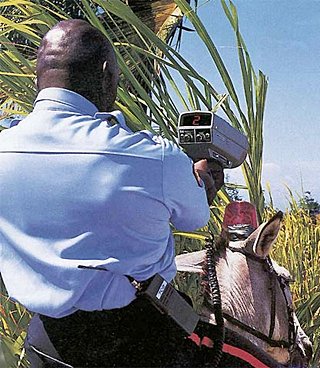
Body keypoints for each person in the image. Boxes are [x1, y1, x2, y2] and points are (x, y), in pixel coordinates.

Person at [0, 19, 224, 366]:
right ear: (106, 74)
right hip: (138, 341)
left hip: (48, 344)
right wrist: (203, 186)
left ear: (38, 75)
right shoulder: (154, 157)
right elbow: (195, 216)